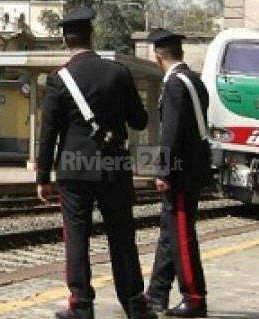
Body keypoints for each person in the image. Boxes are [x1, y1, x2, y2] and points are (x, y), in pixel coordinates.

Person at [36, 6, 157, 319]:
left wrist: (42, 177)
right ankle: (135, 303)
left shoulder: (58, 80)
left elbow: (48, 133)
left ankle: (81, 305)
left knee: (76, 237)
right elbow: (140, 121)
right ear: (92, 36)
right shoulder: (118, 72)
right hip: (114, 169)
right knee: (122, 237)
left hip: (74, 172)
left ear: (66, 40)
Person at [144, 28, 209, 318]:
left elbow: (172, 132)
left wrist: (164, 170)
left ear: (158, 56)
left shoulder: (173, 85)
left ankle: (194, 298)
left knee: (181, 234)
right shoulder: (195, 80)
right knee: (170, 232)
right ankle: (156, 294)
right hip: (194, 166)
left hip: (181, 171)